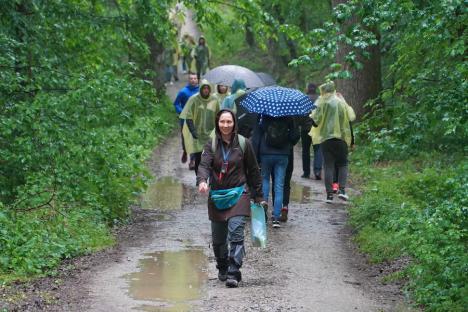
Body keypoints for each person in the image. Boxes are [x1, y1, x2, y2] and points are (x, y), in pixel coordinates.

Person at [197, 109, 264, 288]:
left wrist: (258, 196)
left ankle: (234, 271)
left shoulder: (244, 143)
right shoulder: (210, 144)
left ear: (234, 123)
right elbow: (203, 166)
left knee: (236, 232)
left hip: (239, 193)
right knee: (219, 239)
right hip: (217, 196)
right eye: (222, 122)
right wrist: (202, 181)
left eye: (229, 122)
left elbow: (254, 170)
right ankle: (223, 265)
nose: (225, 125)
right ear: (217, 123)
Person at [309, 81, 356, 203]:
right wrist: (352, 141)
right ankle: (342, 190)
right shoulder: (341, 102)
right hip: (341, 139)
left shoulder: (322, 103)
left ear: (323, 90)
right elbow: (350, 119)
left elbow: (315, 122)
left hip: (326, 140)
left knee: (328, 165)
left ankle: (329, 195)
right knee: (343, 164)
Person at [252, 115, 300, 228]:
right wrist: (288, 141)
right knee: (279, 185)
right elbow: (295, 136)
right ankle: (276, 218)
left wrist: (256, 156)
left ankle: (263, 212)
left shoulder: (264, 115)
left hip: (266, 153)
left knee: (264, 181)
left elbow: (257, 137)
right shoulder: (289, 116)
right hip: (283, 155)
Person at [182, 79, 219, 174]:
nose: (206, 90)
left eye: (207, 88)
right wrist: (193, 131)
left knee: (211, 157)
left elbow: (219, 116)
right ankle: (199, 179)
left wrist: (218, 130)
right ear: (201, 89)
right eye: (204, 88)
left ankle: (210, 179)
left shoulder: (214, 100)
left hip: (210, 134)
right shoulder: (194, 100)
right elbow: (189, 117)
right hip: (198, 135)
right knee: (198, 157)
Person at [174, 73, 199, 163]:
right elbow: (176, 103)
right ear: (188, 80)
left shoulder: (201, 91)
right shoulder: (183, 92)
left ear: (197, 80)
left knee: (194, 138)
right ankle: (185, 151)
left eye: (195, 78)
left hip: (196, 119)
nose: (193, 80)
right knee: (185, 138)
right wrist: (182, 111)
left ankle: (192, 159)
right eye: (191, 78)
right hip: (185, 120)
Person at [299, 83, 322, 179]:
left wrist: (300, 123)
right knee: (317, 150)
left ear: (308, 89)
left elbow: (300, 112)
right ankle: (317, 171)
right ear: (315, 89)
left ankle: (306, 172)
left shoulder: (303, 98)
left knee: (305, 150)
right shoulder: (320, 99)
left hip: (305, 128)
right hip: (316, 128)